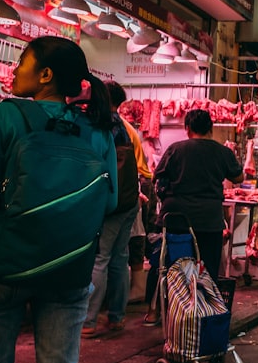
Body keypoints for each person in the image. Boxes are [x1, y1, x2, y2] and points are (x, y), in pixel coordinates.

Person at [0, 36, 117, 363]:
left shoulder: (5, 117)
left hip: (4, 266)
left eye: (22, 60)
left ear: (45, 74)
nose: (15, 68)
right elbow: (110, 199)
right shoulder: (96, 131)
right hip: (69, 270)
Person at [146, 109, 243, 325]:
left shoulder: (175, 149)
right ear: (211, 128)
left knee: (166, 265)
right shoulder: (221, 152)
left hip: (176, 218)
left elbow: (157, 177)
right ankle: (201, 312)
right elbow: (238, 176)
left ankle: (155, 312)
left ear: (187, 128)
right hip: (209, 220)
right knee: (205, 268)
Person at [81, 80, 150, 338]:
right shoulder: (125, 127)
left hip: (112, 202)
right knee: (119, 257)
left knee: (101, 257)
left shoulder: (101, 125)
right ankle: (117, 317)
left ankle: (88, 321)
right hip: (129, 201)